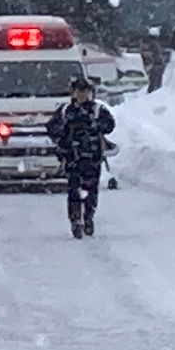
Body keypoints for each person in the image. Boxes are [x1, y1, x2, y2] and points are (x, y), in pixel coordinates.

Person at [47, 78, 117, 240]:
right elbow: (52, 128)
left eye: (85, 92)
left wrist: (96, 125)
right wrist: (63, 137)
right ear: (73, 93)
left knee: (91, 190)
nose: (82, 95)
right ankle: (75, 219)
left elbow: (110, 125)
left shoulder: (98, 110)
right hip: (73, 158)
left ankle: (88, 217)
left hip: (92, 157)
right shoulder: (65, 111)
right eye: (79, 91)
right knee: (74, 190)